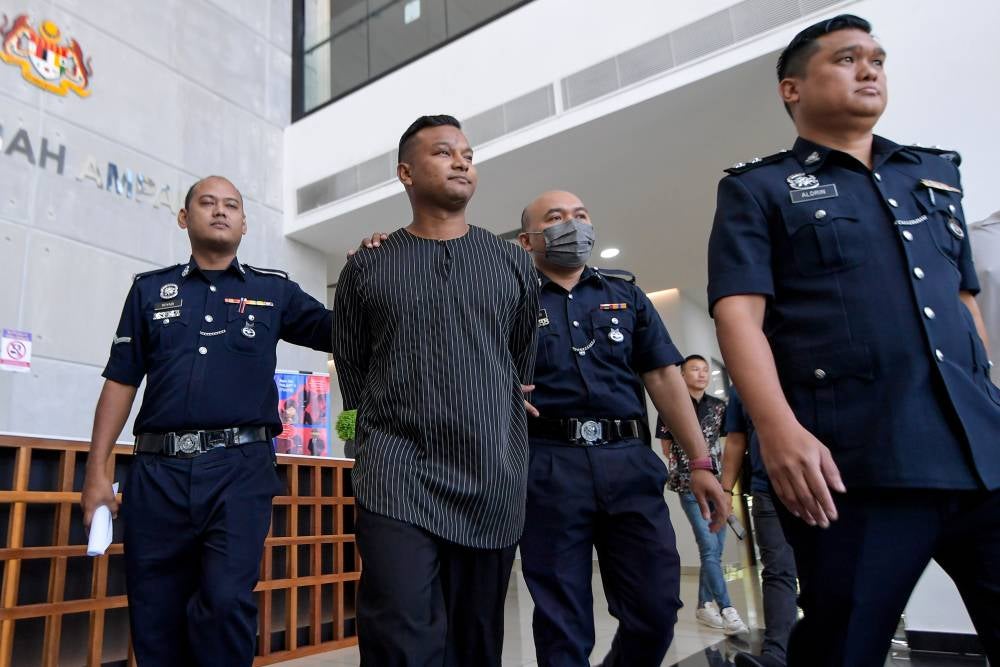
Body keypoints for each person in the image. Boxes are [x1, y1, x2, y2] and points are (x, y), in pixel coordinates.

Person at [707, 14, 999, 666]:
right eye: (846, 58)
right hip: (856, 462)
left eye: (876, 58)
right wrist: (776, 432)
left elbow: (961, 301)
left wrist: (990, 403)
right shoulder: (759, 189)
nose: (868, 69)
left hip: (980, 455)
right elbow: (738, 318)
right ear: (793, 89)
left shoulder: (932, 176)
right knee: (844, 647)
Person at [80, 176, 334, 666]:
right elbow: (120, 381)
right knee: (155, 614)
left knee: (223, 603)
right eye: (207, 203)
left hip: (240, 471)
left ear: (244, 224)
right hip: (157, 474)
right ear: (184, 217)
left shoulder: (273, 290)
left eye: (232, 205)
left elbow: (340, 331)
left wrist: (372, 270)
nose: (220, 211)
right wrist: (96, 473)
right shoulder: (150, 291)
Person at [332, 115, 538, 667]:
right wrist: (360, 441)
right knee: (399, 632)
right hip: (395, 472)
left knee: (476, 638)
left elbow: (519, 360)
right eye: (444, 152)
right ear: (405, 172)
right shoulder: (368, 266)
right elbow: (351, 369)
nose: (462, 161)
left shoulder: (512, 263)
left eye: (467, 153)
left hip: (490, 470)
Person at [516, 190, 729, 667]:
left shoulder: (626, 295)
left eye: (581, 215)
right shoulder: (511, 300)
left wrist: (699, 464)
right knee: (561, 622)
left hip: (629, 465)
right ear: (529, 240)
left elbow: (663, 377)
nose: (573, 225)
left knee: (656, 609)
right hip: (548, 466)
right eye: (556, 218)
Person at [658, 355, 748, 636]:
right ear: (682, 375)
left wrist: (724, 482)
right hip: (687, 484)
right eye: (694, 370)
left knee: (715, 550)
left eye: (705, 370)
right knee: (709, 547)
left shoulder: (719, 406)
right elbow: (665, 447)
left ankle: (702, 605)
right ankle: (727, 609)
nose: (701, 374)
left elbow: (725, 443)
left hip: (718, 485)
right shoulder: (670, 405)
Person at [721, 387, 797, 667]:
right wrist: (726, 490)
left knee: (828, 570)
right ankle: (777, 654)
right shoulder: (743, 382)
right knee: (778, 571)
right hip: (769, 489)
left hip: (823, 484)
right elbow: (736, 440)